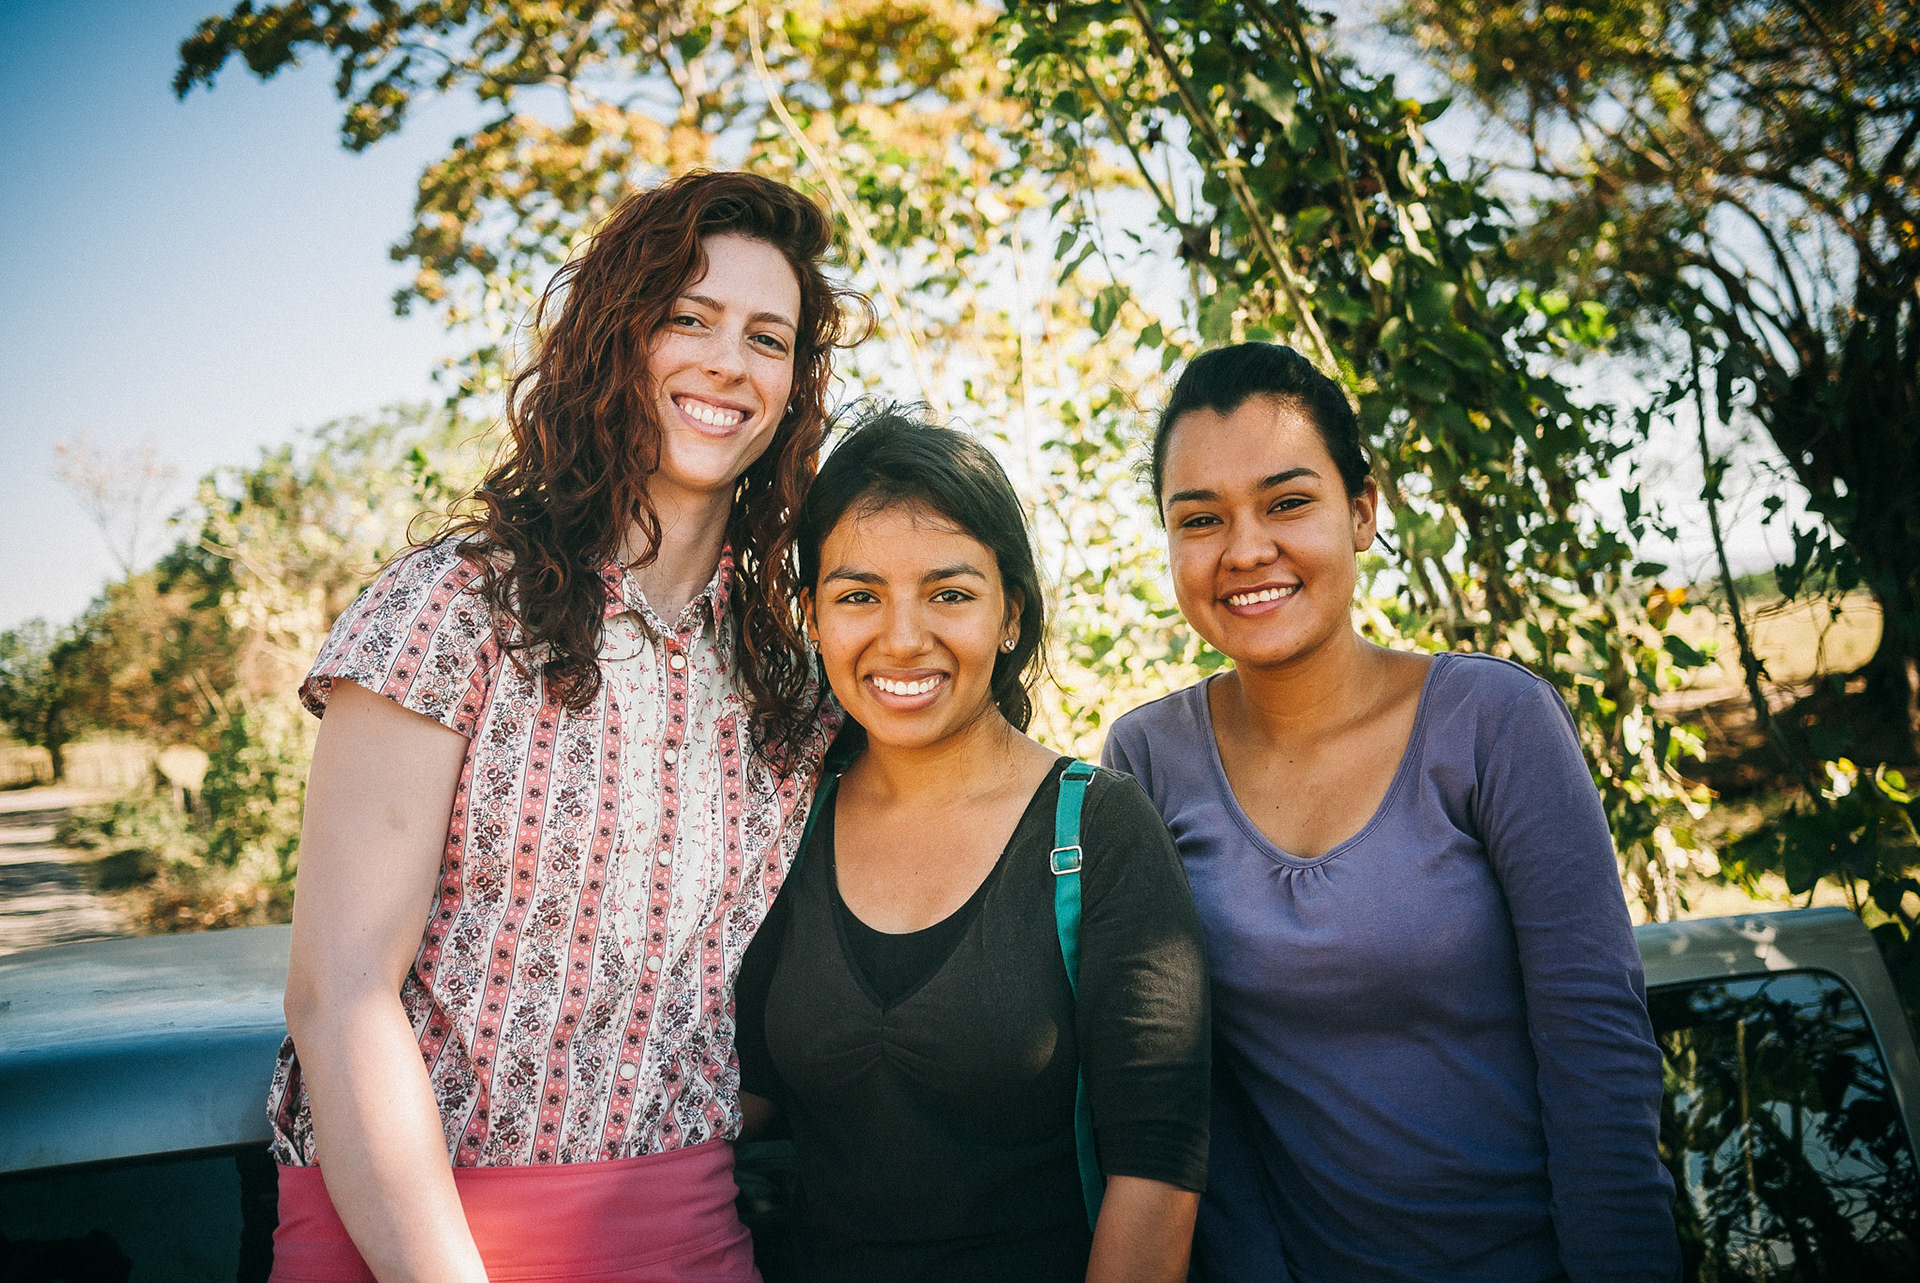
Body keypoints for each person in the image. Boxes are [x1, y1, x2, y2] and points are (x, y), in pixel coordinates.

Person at [266, 171, 867, 1283]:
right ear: (616, 338)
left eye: (767, 338)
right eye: (688, 318)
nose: (728, 362)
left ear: (792, 385)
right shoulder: (453, 607)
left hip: (679, 1223)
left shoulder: (793, 675)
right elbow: (337, 992)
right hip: (399, 1233)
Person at [1102, 343, 1680, 1282]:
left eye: (1288, 502)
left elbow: (1601, 1065)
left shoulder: (1495, 725)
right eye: (1200, 519)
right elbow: (1191, 1097)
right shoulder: (1148, 761)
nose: (1245, 549)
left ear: (1363, 510)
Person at [733, 406, 1211, 1283]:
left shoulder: (1095, 829)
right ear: (811, 613)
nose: (903, 636)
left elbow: (1157, 1170)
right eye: (858, 595)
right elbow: (736, 1101)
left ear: (1010, 614)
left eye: (949, 593)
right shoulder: (782, 825)